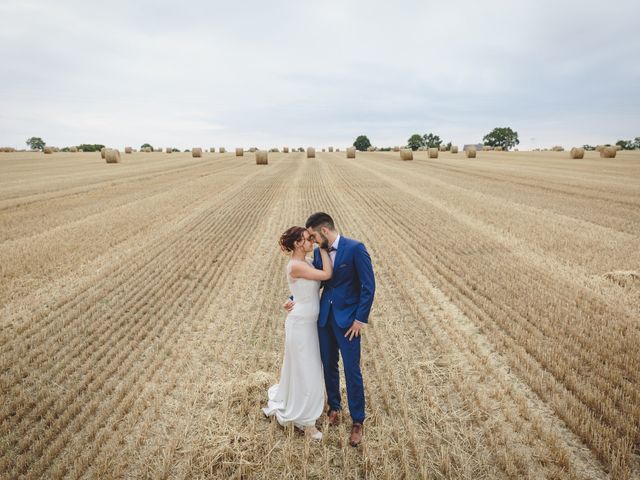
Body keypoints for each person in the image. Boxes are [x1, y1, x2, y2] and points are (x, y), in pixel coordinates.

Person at [285, 212, 375, 447]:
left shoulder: (355, 248)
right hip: (323, 319)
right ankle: (334, 407)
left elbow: (368, 286)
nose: (312, 241)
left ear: (323, 231)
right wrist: (292, 298)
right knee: (329, 365)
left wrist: (360, 319)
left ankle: (357, 420)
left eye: (313, 236)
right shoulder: (317, 253)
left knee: (352, 368)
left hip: (349, 323)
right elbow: (310, 283)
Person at [263, 227, 333, 440]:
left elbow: (303, 290)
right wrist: (323, 248)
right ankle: (306, 422)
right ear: (297, 244)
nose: (310, 242)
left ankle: (304, 409)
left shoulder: (306, 263)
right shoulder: (295, 265)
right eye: (307, 239)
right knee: (306, 370)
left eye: (311, 239)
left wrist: (292, 299)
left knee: (308, 368)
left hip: (310, 323)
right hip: (300, 324)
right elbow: (327, 275)